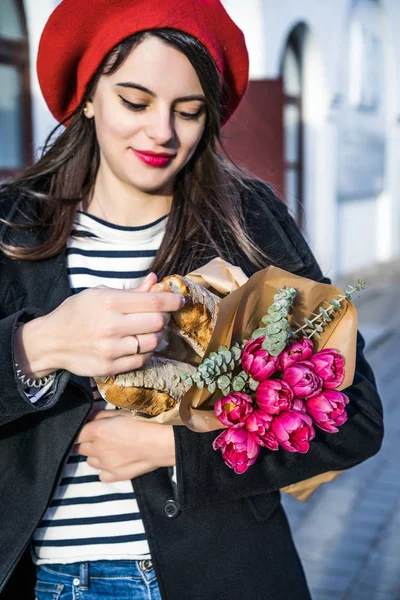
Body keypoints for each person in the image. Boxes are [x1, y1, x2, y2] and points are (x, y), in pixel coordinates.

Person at [0, 1, 383, 599]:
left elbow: (352, 419)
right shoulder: (11, 230)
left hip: (218, 574)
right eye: (135, 101)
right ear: (89, 96)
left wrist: (172, 447)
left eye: (189, 111)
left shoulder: (248, 223)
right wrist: (36, 345)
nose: (162, 132)